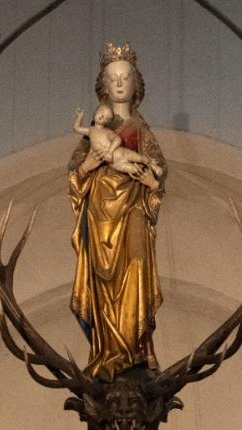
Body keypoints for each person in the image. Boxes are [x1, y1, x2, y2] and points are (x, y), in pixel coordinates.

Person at [67, 41, 165, 378]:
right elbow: (75, 178)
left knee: (137, 265)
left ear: (136, 84)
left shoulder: (141, 130)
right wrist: (89, 165)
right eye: (113, 78)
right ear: (104, 86)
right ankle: (107, 350)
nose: (120, 84)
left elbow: (157, 175)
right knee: (102, 280)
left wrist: (153, 186)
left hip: (134, 208)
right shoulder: (95, 130)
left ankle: (137, 349)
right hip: (99, 214)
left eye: (125, 77)